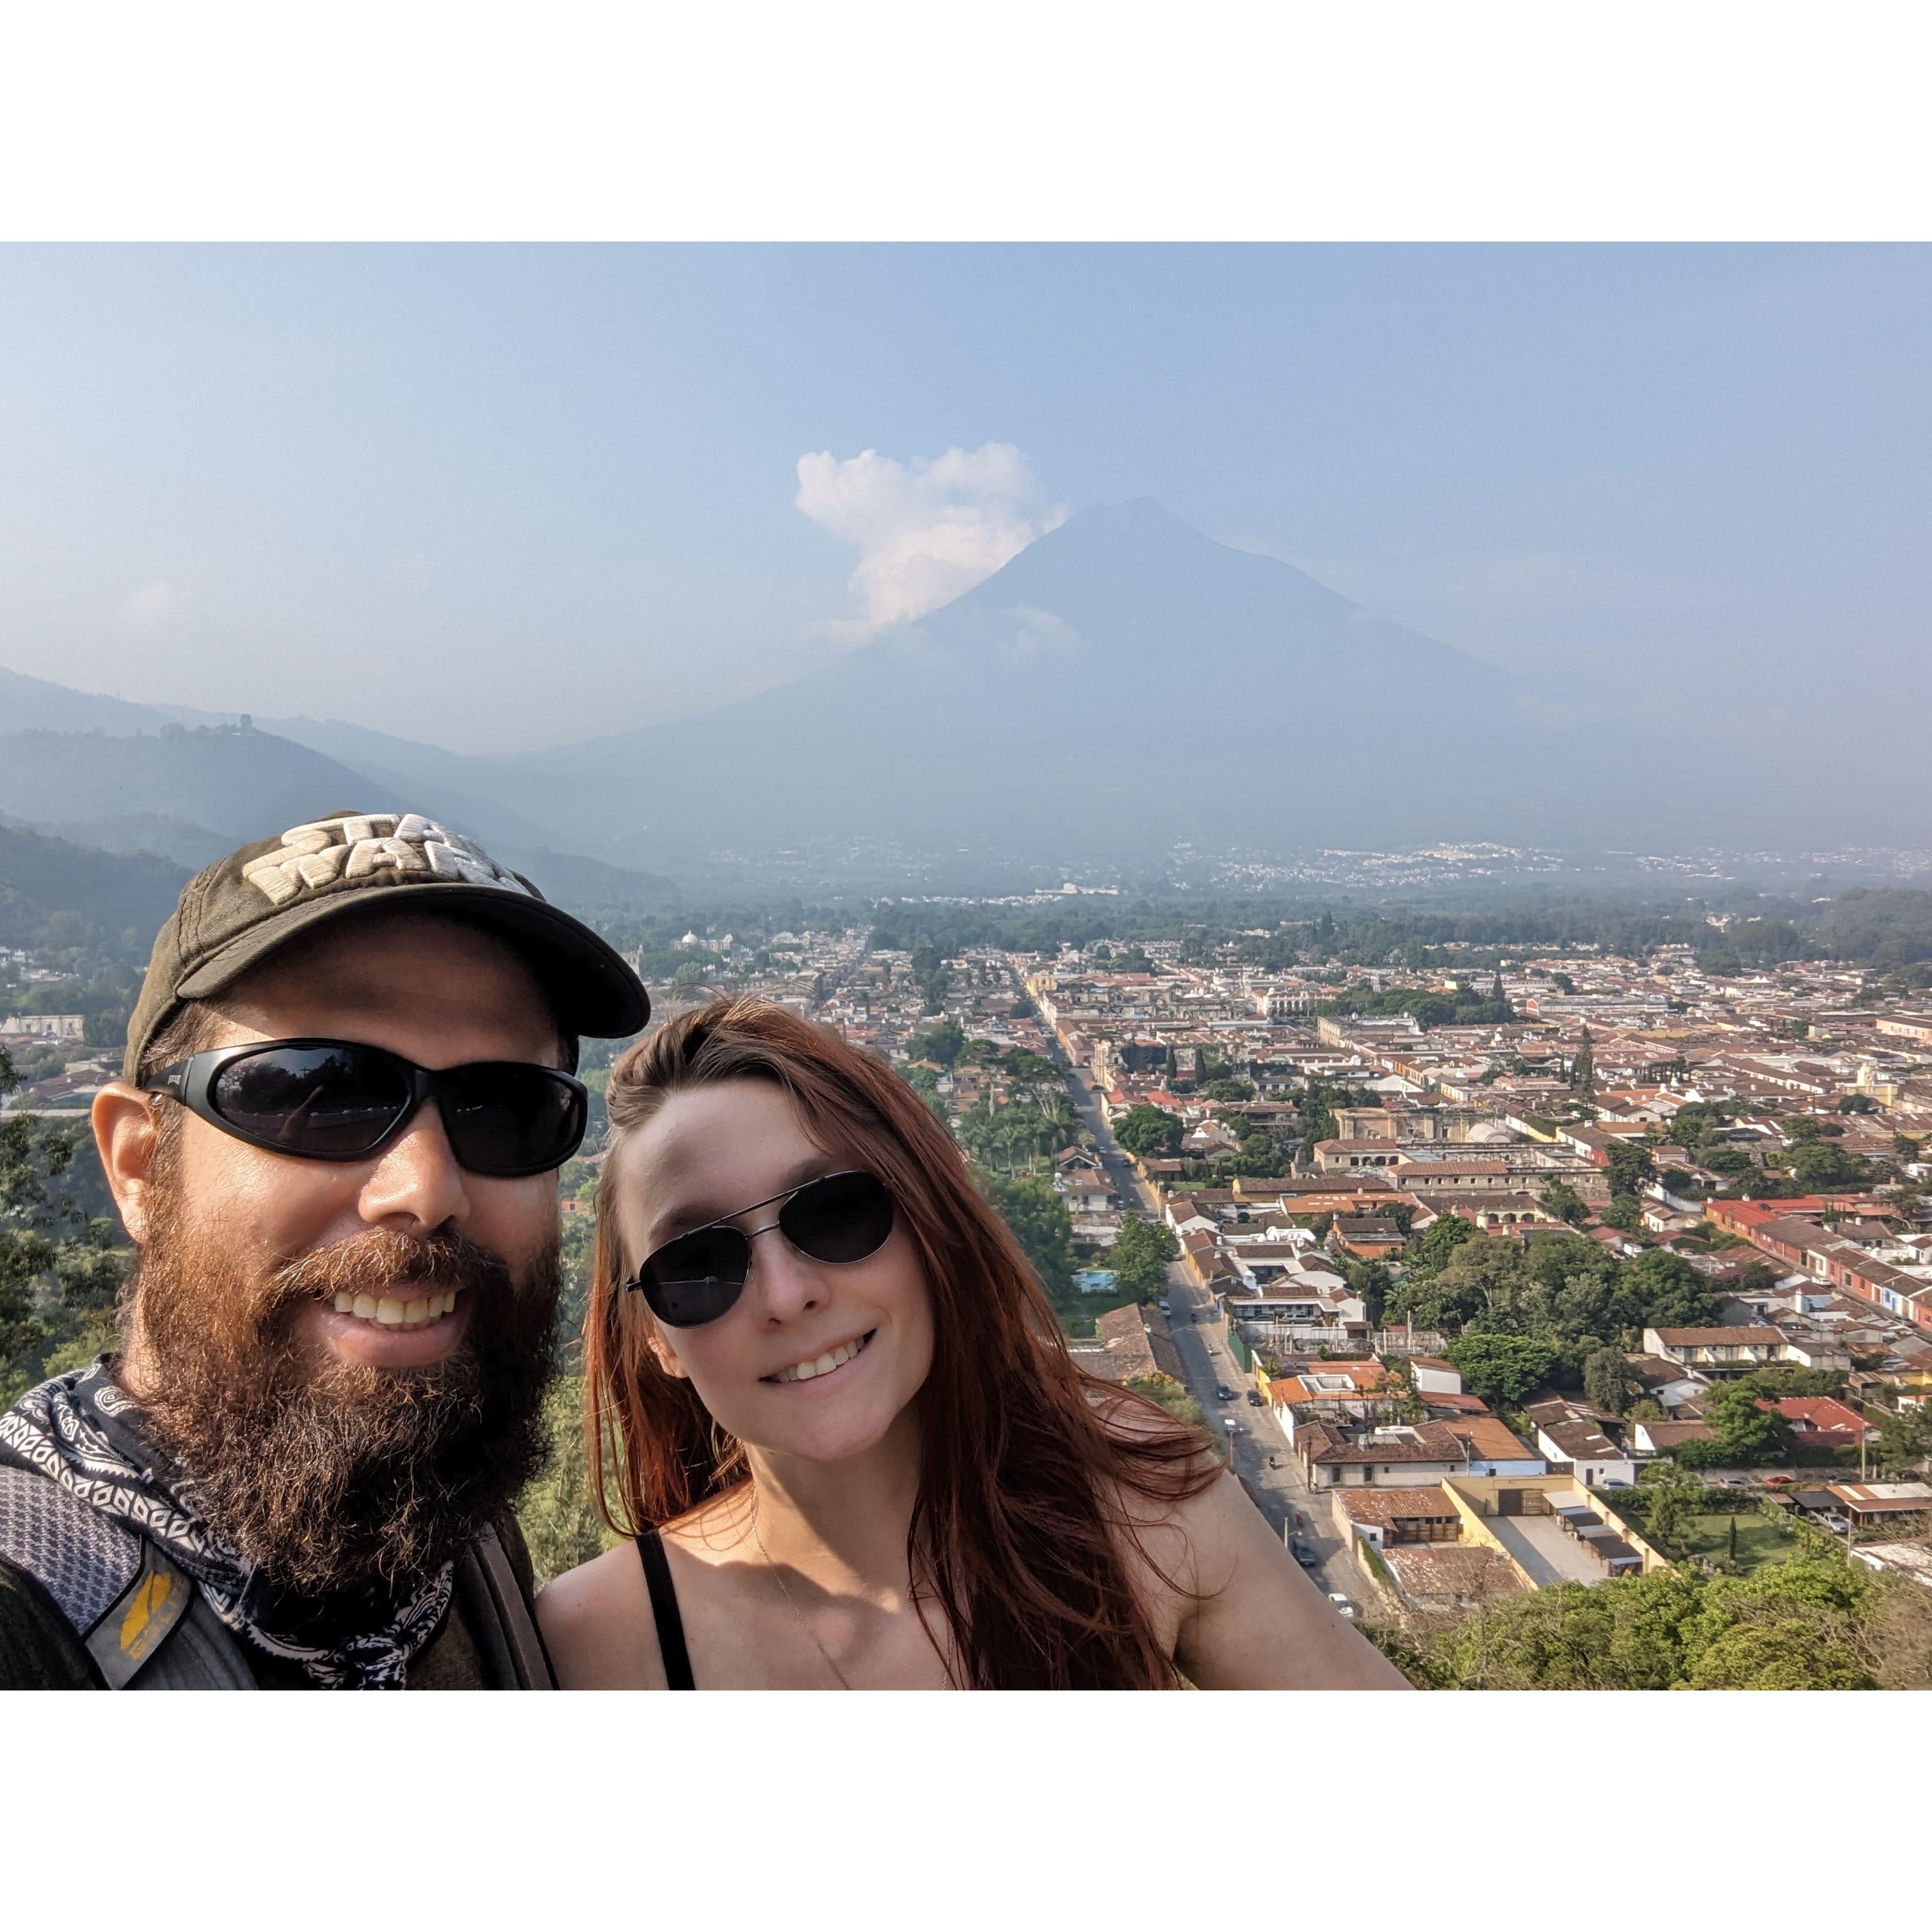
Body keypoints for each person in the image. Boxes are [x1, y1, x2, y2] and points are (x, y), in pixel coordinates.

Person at [537, 998, 1406, 1689]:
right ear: (654, 1337)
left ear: (931, 1227)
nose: (788, 1292)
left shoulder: (1142, 1518)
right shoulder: (598, 1646)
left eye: (838, 1212)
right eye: (698, 1264)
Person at [0, 810, 649, 1689]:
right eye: (320, 1092)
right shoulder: (31, 1600)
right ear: (140, 1164)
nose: (425, 1190)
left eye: (505, 1109)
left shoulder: (452, 1533)